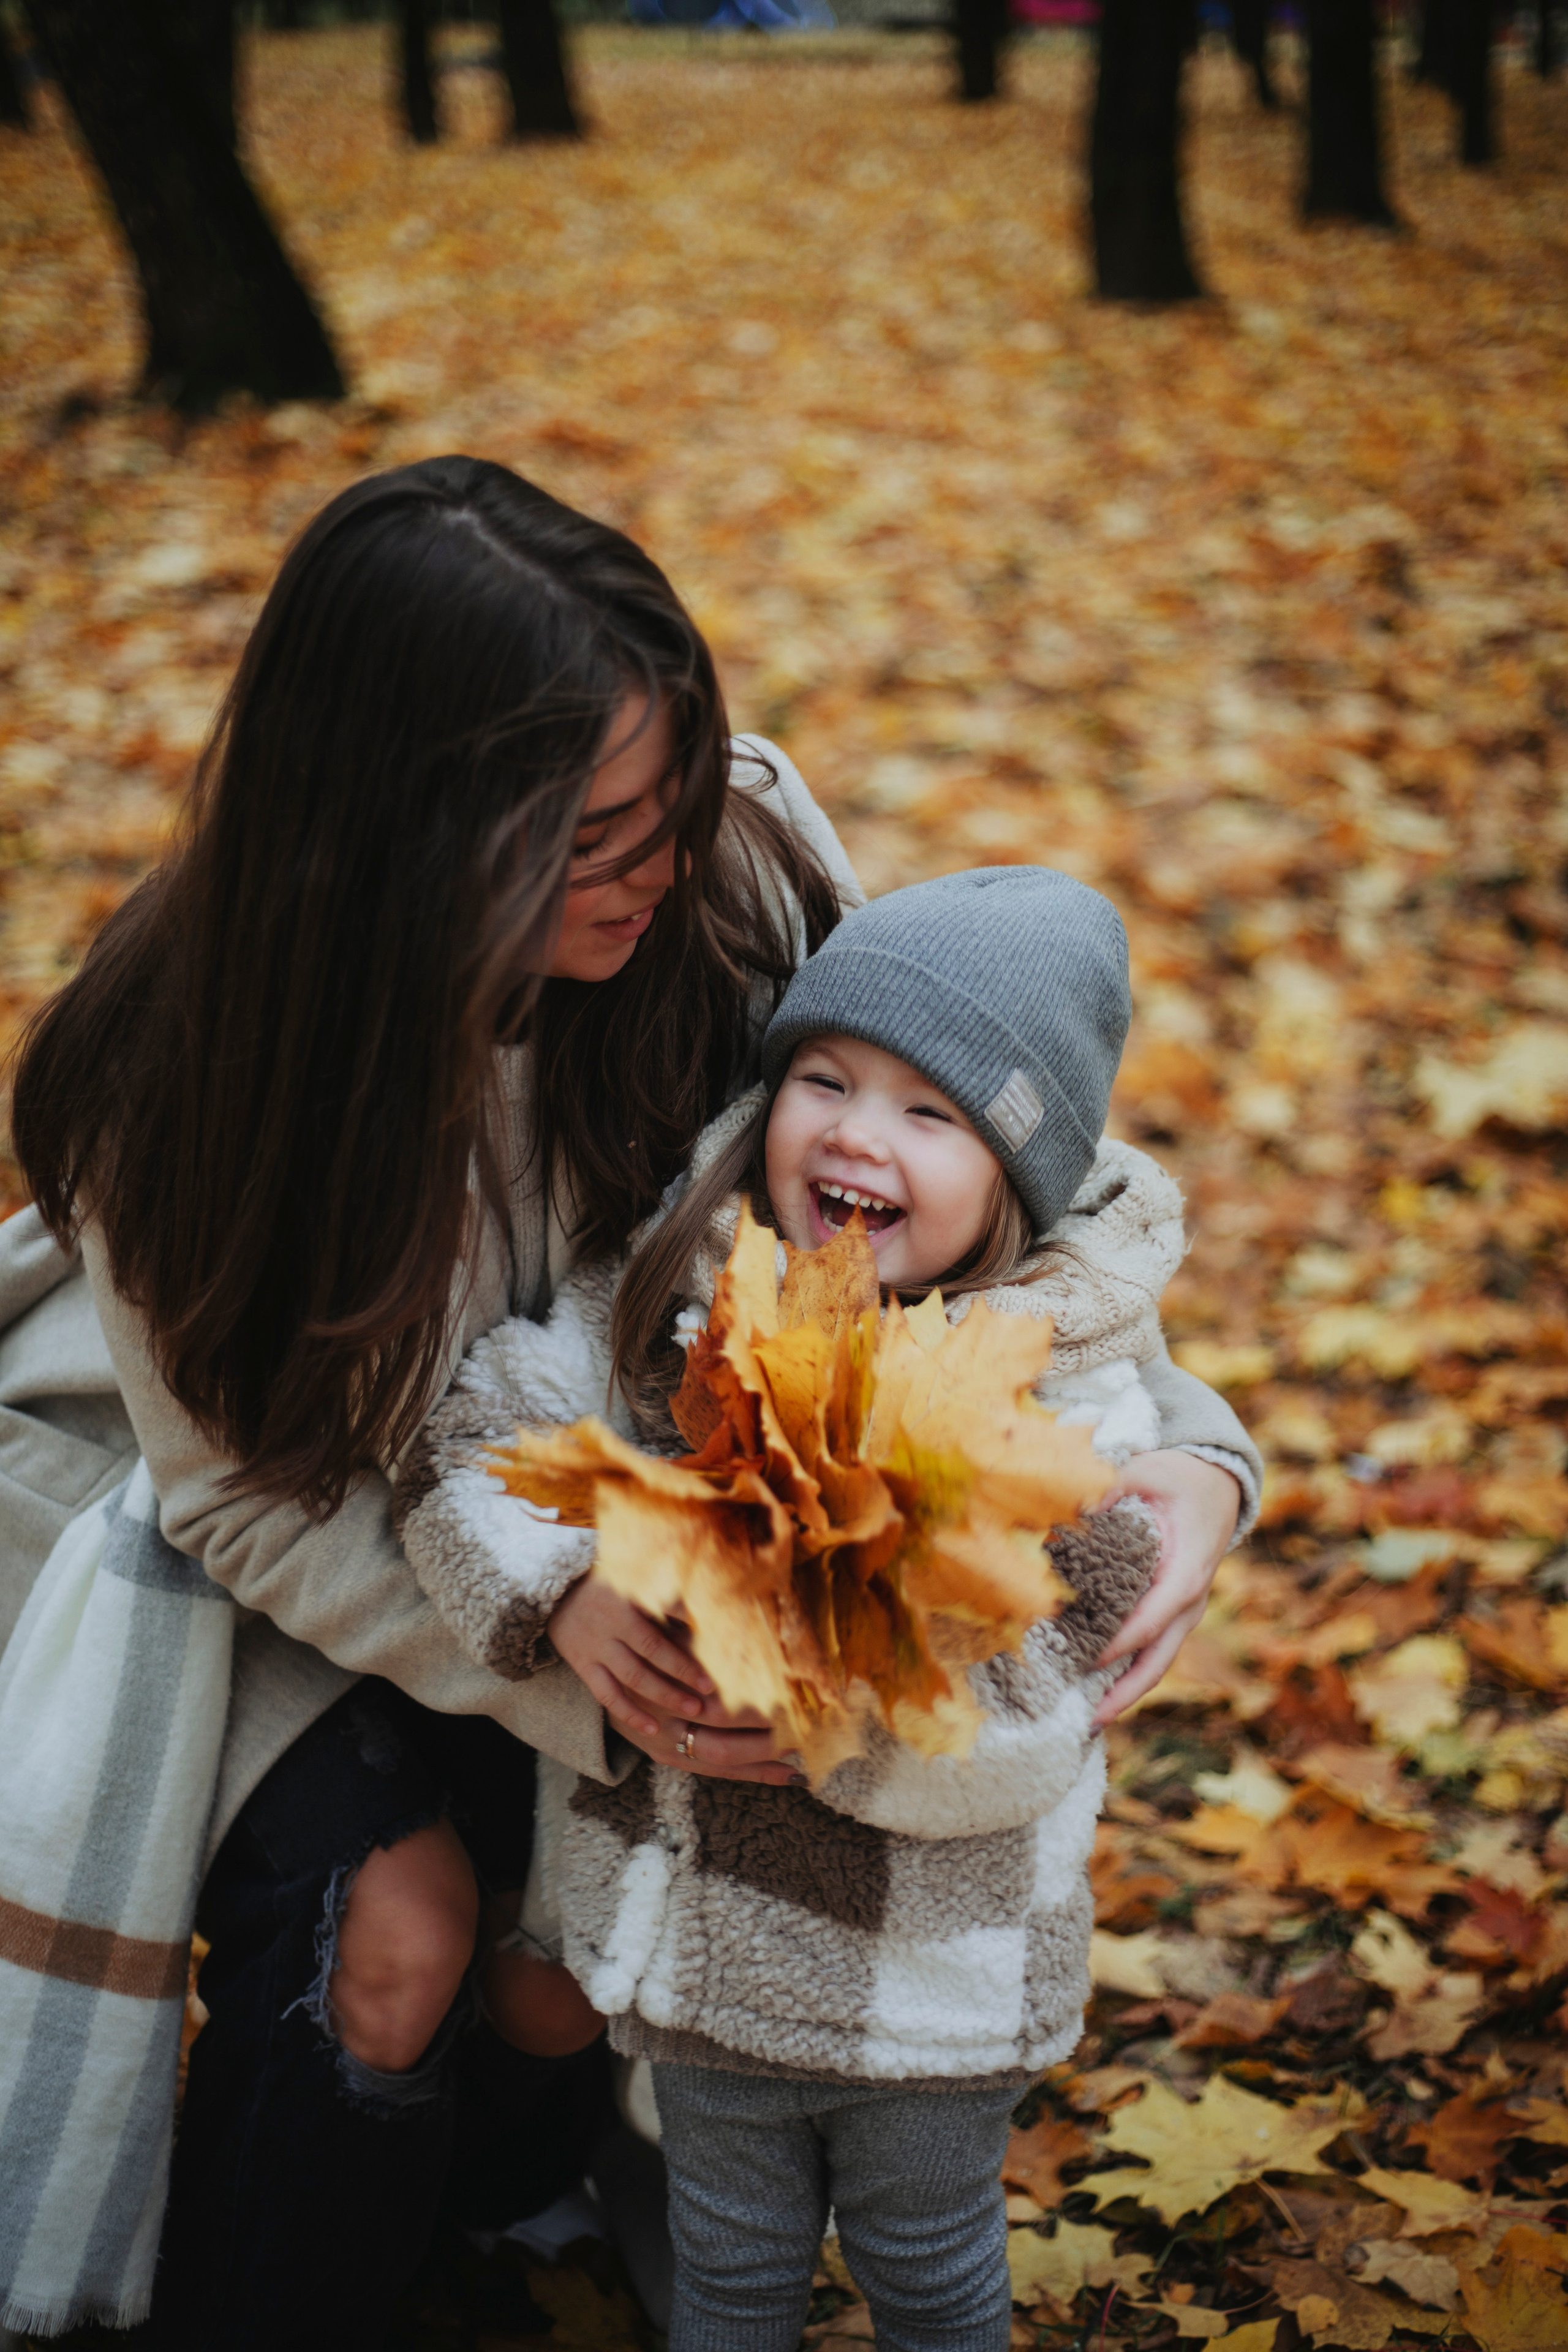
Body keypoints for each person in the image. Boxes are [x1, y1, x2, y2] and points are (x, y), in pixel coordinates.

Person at [0, 459, 1250, 2346]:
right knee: (398, 1943)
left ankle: (495, 2216)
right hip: (323, 1551)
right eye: (586, 840)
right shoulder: (179, 1074)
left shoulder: (728, 871)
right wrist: (560, 1634)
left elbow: (977, 1193)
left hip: (637, 1502)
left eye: (665, 804)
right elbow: (245, 1502)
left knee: (556, 1981)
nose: (651, 874)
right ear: (399, 842)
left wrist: (1197, 1462)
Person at [394, 865, 1265, 2352]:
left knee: (930, 2273)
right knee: (729, 2275)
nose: (860, 1132)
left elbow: (1042, 1716)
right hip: (698, 1964)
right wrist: (556, 1588)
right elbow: (478, 1438)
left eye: (933, 1115)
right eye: (824, 1079)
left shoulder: (1068, 1411)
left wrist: (819, 1712)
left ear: (1018, 1173)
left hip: (927, 1986)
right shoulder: (676, 1293)